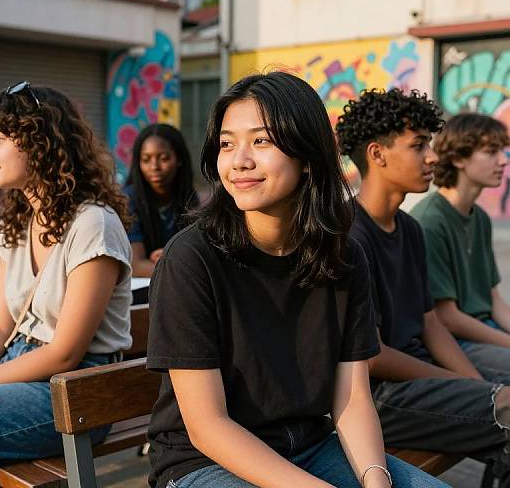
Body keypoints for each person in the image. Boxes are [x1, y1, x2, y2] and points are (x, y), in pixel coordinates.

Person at [146, 72, 449, 488]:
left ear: (307, 156)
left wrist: (376, 478)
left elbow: (353, 395)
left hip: (310, 446)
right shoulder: (192, 258)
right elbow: (206, 425)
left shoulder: (344, 255)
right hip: (204, 462)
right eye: (227, 143)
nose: (240, 161)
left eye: (262, 141)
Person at [336, 88, 510, 485]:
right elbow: (373, 357)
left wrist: (476, 384)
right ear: (377, 155)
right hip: (377, 397)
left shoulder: (409, 228)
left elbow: (431, 324)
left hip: (422, 381)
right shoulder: (348, 236)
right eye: (419, 145)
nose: (433, 156)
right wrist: (460, 384)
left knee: (500, 404)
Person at [0, 82, 132, 462]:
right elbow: (2, 327)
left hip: (79, 388)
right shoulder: (19, 223)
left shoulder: (93, 224)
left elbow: (64, 353)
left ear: (38, 141)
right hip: (20, 367)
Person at [410, 114, 510, 358]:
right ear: (457, 158)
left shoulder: (481, 218)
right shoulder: (430, 222)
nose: (503, 161)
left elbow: (493, 298)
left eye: (502, 151)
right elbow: (447, 318)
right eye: (491, 151)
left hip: (487, 332)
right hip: (456, 343)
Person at [125, 123, 197, 278]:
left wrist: (170, 256)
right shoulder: (128, 200)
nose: (154, 166)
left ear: (178, 159)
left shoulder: (189, 198)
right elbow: (136, 266)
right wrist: (175, 262)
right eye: (146, 159)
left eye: (164, 158)